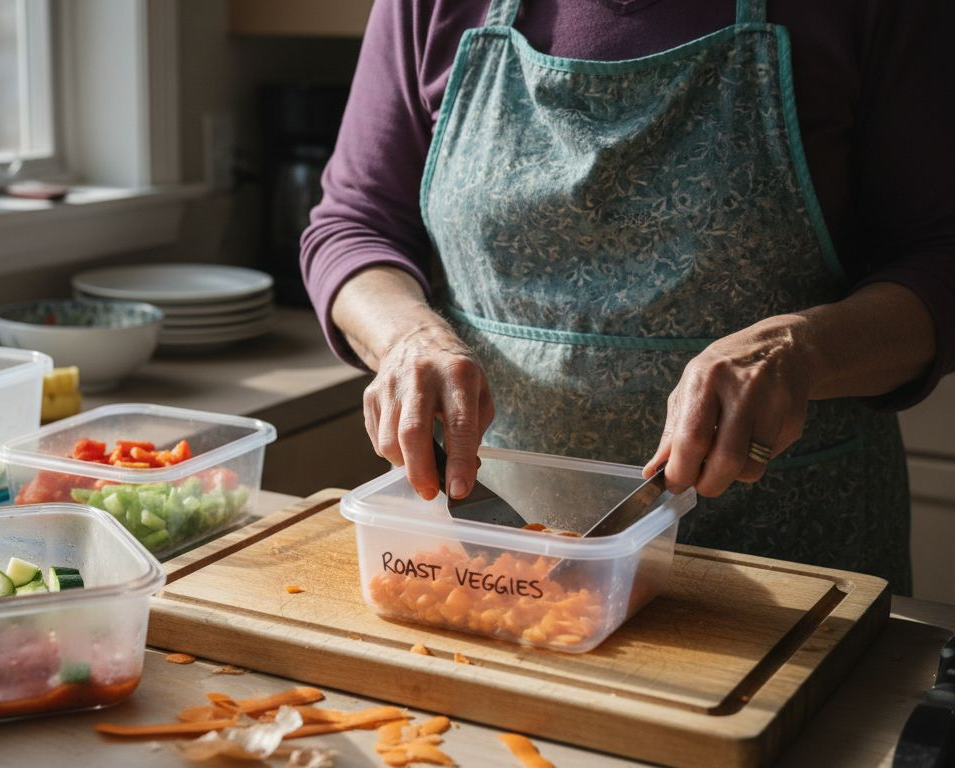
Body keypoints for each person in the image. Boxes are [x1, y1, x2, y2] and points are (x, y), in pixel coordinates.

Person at [301, 0, 955, 592]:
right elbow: (353, 226)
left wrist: (803, 349)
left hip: (793, 563)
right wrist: (407, 336)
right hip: (497, 558)